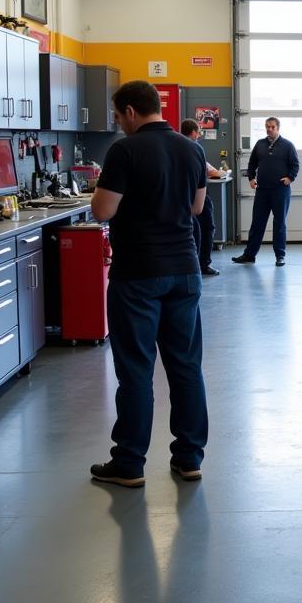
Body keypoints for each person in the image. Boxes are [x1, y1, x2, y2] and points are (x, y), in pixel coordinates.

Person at [89, 80, 209, 488]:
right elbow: (195, 207)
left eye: (118, 116)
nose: (119, 123)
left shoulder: (124, 150)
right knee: (186, 366)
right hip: (184, 270)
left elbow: (103, 211)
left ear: (131, 112)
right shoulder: (192, 148)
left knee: (136, 371)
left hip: (138, 274)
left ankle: (129, 463)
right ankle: (189, 458)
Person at [233, 116, 300, 267]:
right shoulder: (260, 144)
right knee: (257, 223)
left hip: (280, 191)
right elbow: (252, 163)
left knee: (279, 224)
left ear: (278, 128)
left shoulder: (287, 145)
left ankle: (280, 256)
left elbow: (295, 164)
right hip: (262, 190)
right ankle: (249, 255)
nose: (269, 129)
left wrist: (290, 178)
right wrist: (251, 178)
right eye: (267, 126)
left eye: (272, 127)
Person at [180, 118, 221, 277]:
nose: (199, 135)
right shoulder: (196, 148)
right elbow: (208, 172)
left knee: (189, 230)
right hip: (198, 195)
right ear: (194, 132)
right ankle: (203, 264)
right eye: (198, 132)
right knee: (206, 229)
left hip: (181, 196)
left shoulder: (175, 146)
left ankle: (190, 264)